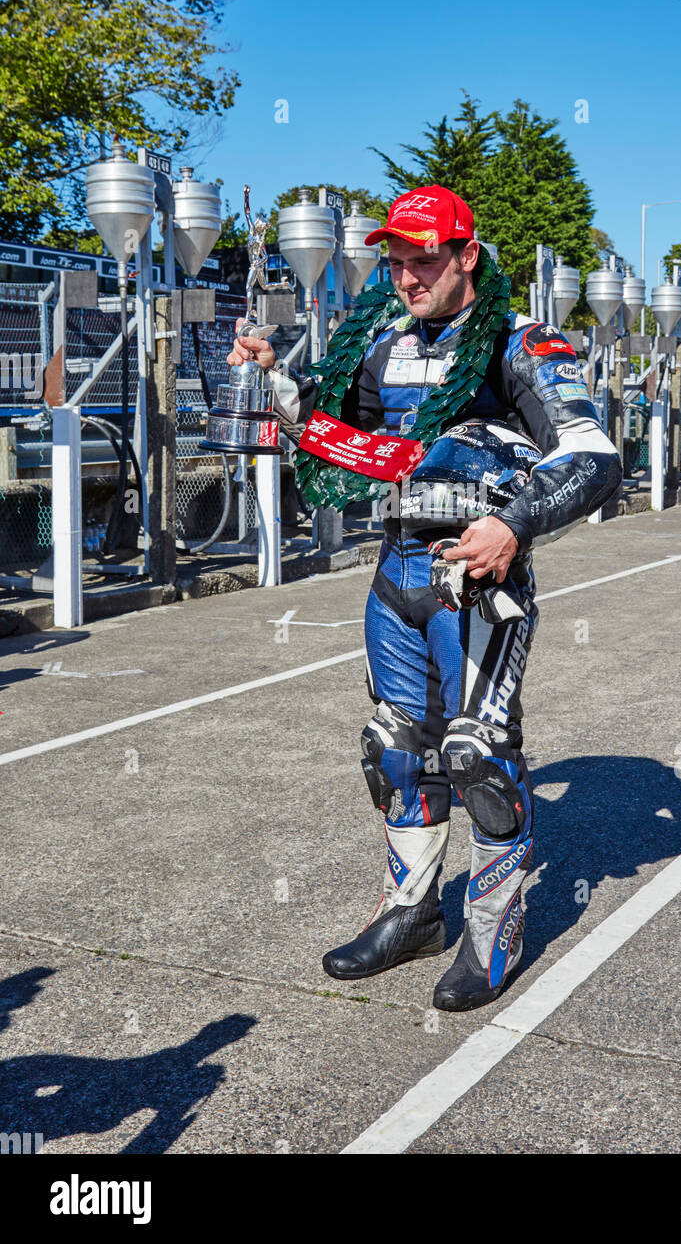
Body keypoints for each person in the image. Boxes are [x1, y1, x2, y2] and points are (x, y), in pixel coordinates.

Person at [227, 185, 622, 1012]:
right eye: (396, 261)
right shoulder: (384, 345)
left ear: (466, 255)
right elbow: (346, 437)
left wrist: (514, 525)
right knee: (396, 749)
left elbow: (593, 455)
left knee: (479, 756)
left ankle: (492, 932)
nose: (407, 277)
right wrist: (275, 380)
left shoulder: (524, 343)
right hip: (394, 574)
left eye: (425, 259)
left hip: (475, 582)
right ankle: (412, 915)